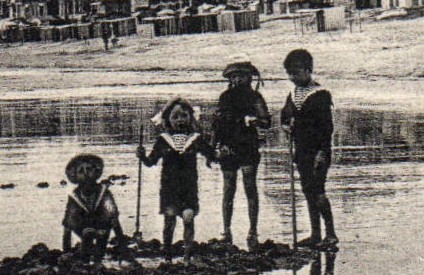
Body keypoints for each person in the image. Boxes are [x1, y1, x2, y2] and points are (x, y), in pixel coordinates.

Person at [139, 98, 217, 258]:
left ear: (190, 117)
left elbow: (212, 154)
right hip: (169, 189)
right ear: (167, 119)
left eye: (184, 116)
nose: (180, 120)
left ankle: (187, 253)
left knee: (188, 218)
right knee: (169, 218)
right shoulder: (163, 140)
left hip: (189, 189)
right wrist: (142, 156)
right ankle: (167, 250)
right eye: (175, 117)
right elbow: (151, 161)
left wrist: (221, 153)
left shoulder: (196, 139)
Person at [280, 48, 338, 249]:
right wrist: (287, 125)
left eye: (296, 72)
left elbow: (326, 128)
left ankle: (330, 234)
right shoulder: (294, 94)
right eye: (290, 73)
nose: (293, 77)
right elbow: (284, 117)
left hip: (318, 151)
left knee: (318, 190)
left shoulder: (320, 95)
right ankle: (315, 234)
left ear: (308, 70)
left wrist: (322, 152)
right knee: (307, 191)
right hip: (301, 150)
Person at [214, 61, 272, 248]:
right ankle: (226, 231)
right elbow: (217, 123)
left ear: (250, 77)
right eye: (234, 76)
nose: (238, 79)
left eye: (242, 76)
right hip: (228, 147)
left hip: (248, 146)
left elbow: (266, 121)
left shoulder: (255, 97)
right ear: (230, 79)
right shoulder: (224, 97)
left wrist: (255, 120)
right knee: (228, 189)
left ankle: (252, 231)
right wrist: (214, 146)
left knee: (250, 187)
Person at [61, 153, 125, 259]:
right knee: (87, 233)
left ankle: (98, 259)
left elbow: (114, 218)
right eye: (81, 171)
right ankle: (84, 258)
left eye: (89, 169)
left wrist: (122, 246)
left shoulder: (104, 192)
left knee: (103, 233)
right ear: (74, 176)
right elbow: (68, 224)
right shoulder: (74, 196)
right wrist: (66, 251)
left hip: (101, 225)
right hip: (82, 227)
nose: (86, 174)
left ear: (96, 171)